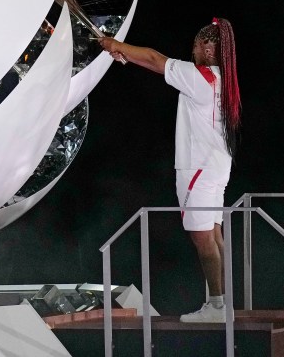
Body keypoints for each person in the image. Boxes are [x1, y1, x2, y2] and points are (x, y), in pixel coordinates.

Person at [97, 18, 241, 323]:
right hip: (216, 166)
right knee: (213, 235)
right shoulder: (221, 80)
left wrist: (116, 45)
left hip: (198, 168)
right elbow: (153, 64)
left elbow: (154, 59)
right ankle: (222, 304)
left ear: (207, 47)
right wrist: (126, 54)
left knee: (203, 238)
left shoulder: (202, 77)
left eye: (195, 47)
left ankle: (216, 307)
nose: (192, 52)